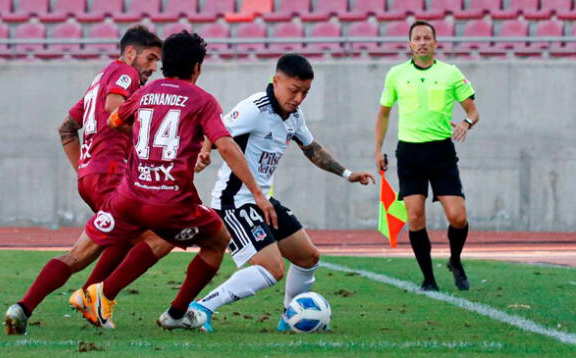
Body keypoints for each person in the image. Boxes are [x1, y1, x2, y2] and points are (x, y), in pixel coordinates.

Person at [80, 30, 278, 331]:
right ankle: (171, 312)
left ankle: (103, 294)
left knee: (161, 237)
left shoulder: (146, 93)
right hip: (170, 200)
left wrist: (150, 146)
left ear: (165, 64)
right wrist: (257, 193)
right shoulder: (202, 100)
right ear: (197, 67)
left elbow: (114, 120)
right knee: (218, 240)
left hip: (133, 195)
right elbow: (225, 145)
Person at [5, 25, 174, 335]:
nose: (153, 68)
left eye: (157, 62)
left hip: (94, 177)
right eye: (150, 59)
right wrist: (150, 133)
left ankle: (25, 307)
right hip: (111, 177)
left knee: (105, 245)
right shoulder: (125, 73)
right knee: (160, 237)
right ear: (130, 53)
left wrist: (84, 170)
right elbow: (113, 109)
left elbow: (67, 129)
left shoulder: (99, 80)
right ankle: (91, 297)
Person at [190, 53, 375, 332]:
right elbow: (216, 131)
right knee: (272, 268)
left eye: (305, 92)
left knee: (308, 257)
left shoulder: (294, 116)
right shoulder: (254, 108)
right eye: (294, 90)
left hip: (263, 200)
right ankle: (201, 307)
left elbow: (311, 149)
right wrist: (204, 151)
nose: (299, 98)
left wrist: (348, 174)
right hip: (235, 202)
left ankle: (290, 316)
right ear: (276, 81)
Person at [373, 21, 480, 291]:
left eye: (426, 38)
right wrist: (377, 149)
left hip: (441, 152)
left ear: (435, 43)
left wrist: (465, 124)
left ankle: (455, 261)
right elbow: (384, 113)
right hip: (409, 153)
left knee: (457, 216)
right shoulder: (396, 75)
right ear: (409, 44)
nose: (421, 42)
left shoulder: (450, 73)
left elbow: (473, 111)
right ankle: (428, 279)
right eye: (417, 38)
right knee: (416, 217)